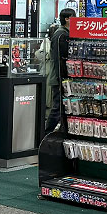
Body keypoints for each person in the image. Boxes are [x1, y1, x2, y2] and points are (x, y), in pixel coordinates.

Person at [43, 8, 75, 136]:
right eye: (73, 17)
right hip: (59, 77)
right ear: (67, 19)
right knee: (57, 107)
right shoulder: (60, 35)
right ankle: (46, 134)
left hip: (63, 76)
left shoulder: (65, 33)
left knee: (62, 107)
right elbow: (57, 59)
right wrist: (61, 77)